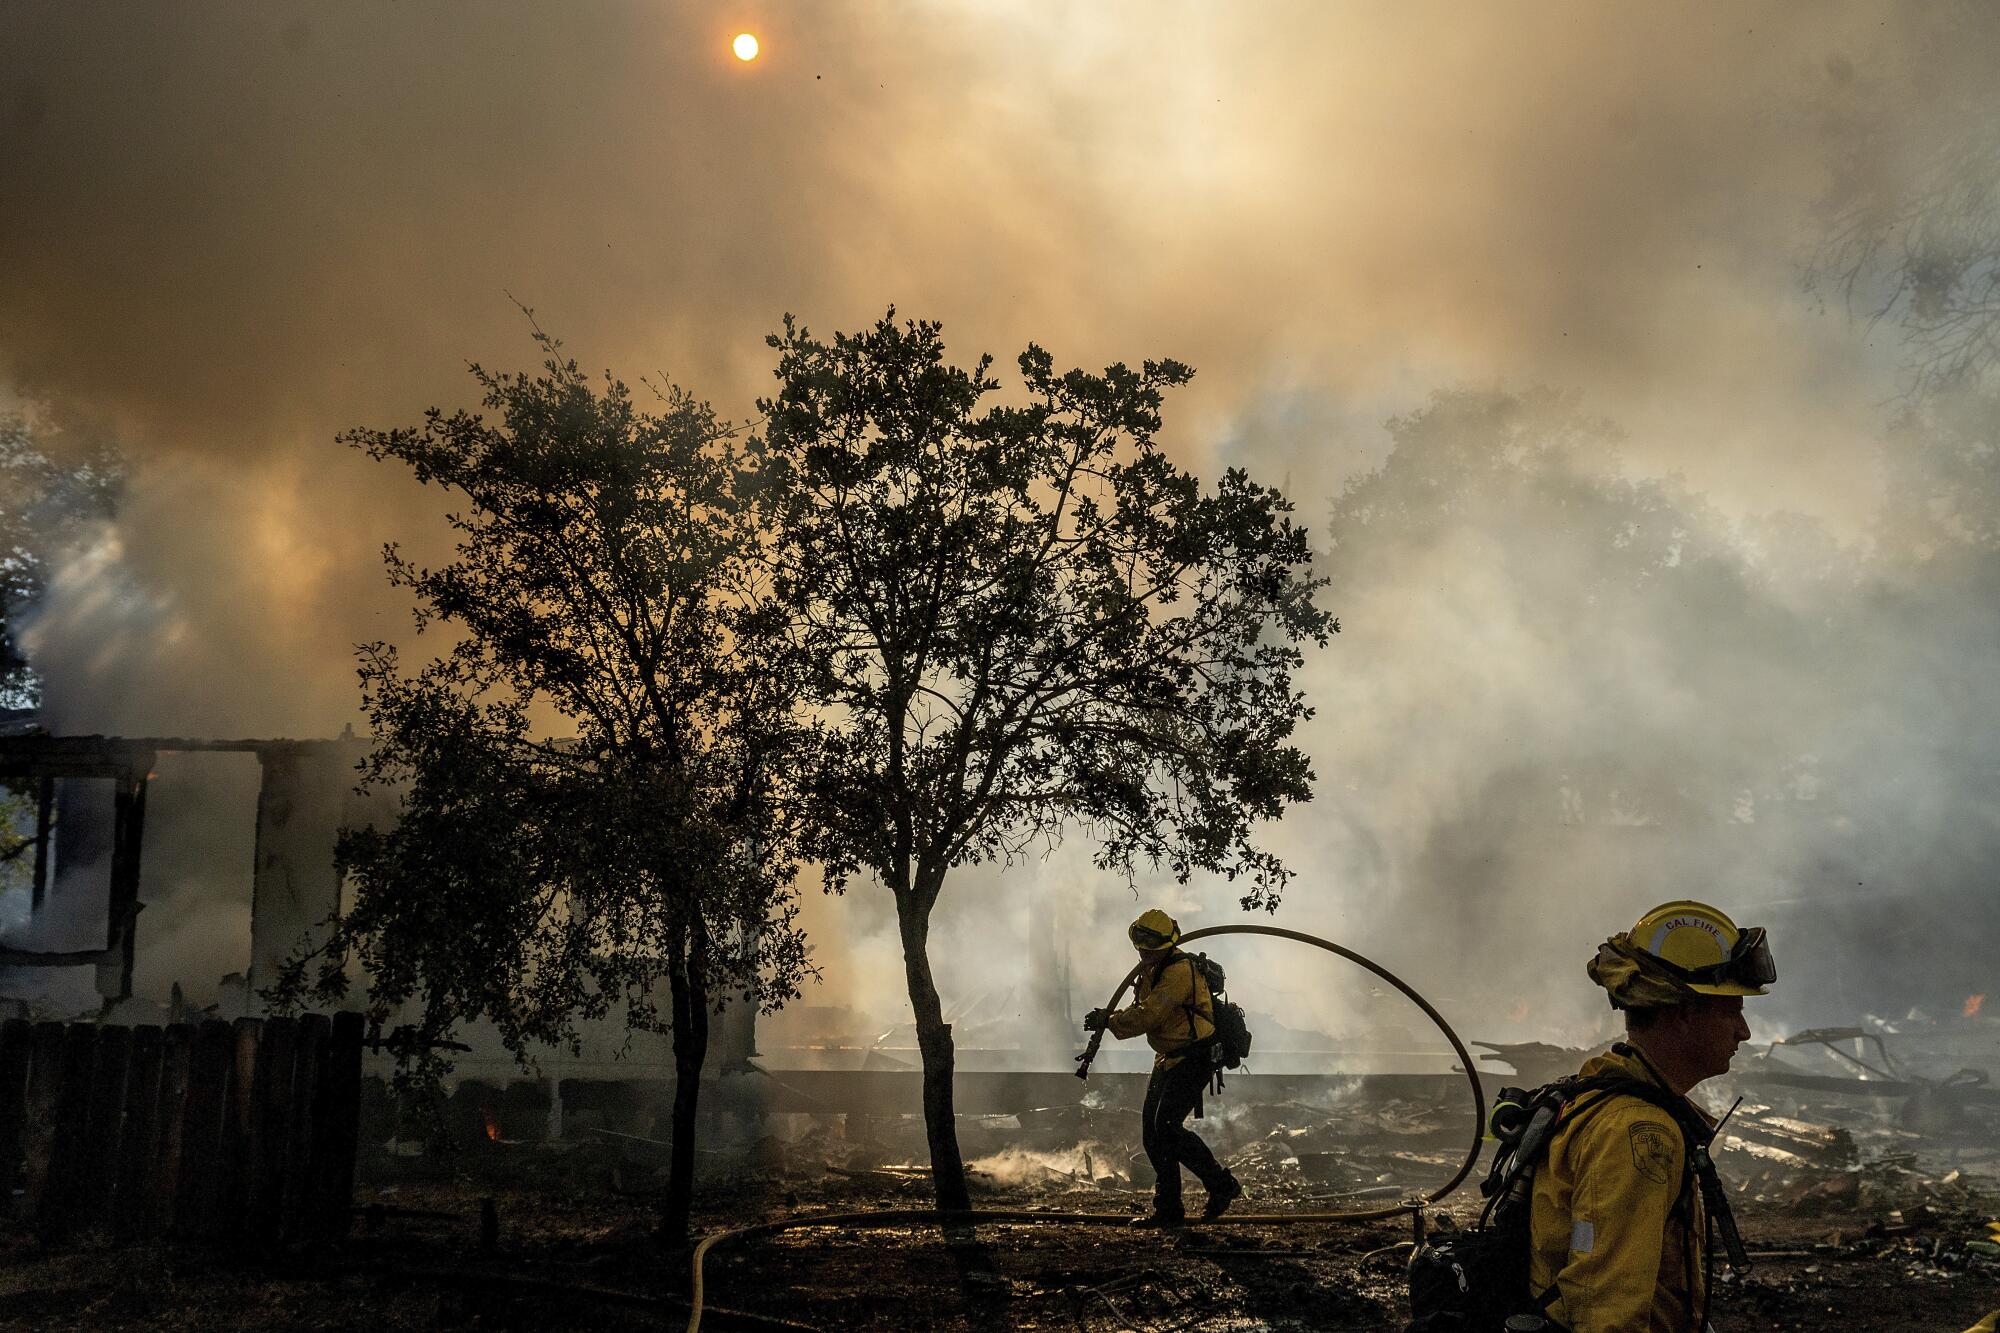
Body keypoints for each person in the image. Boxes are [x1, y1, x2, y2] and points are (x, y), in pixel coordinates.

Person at [1527, 900, 1775, 1332]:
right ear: (1682, 1014)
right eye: (1731, 1010)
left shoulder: (1608, 1094)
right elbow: (1608, 1315)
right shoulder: (1638, 1133)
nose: (1744, 1031)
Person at [1083, 909, 1244, 1227]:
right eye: (1138, 940)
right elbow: (1142, 1006)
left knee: (1167, 1128)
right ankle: (1168, 1209)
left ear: (1165, 942)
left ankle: (1221, 1185)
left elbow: (1150, 1015)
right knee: (1153, 1135)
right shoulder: (1152, 969)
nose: (1141, 949)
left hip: (1195, 1055)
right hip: (1168, 1057)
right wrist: (1109, 1016)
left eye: (1148, 942)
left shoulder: (1178, 971)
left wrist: (1109, 1021)